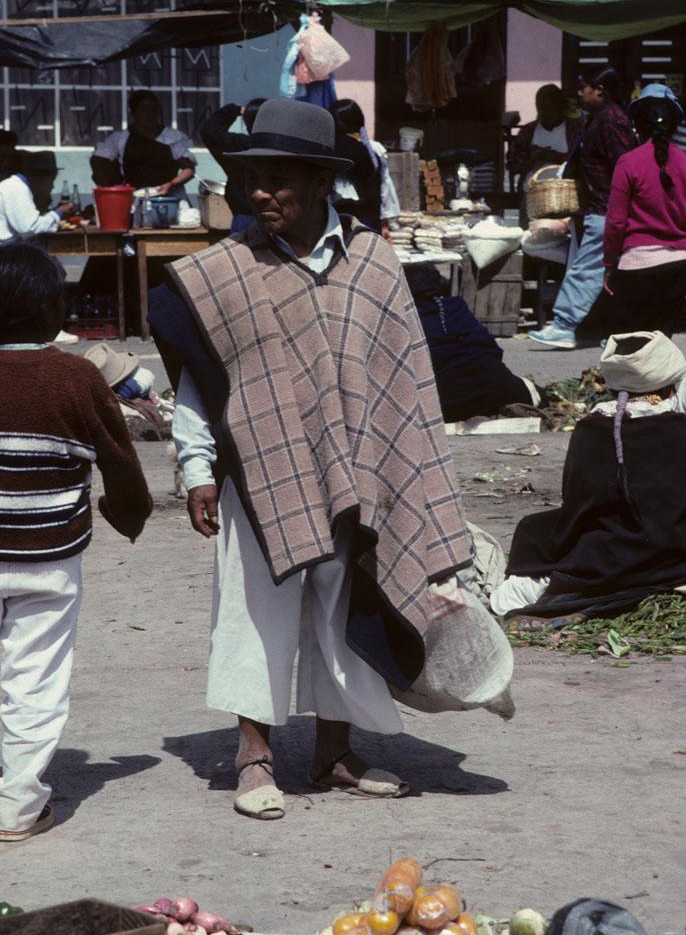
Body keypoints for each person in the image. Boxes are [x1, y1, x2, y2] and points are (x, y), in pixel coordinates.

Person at [150, 99, 472, 821]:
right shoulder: (228, 272)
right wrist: (197, 466)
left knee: (344, 604)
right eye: (251, 178)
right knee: (253, 608)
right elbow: (201, 381)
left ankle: (333, 752)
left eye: (278, 178)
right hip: (259, 473)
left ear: (323, 182)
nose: (260, 193)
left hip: (357, 473)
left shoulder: (374, 265)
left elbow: (404, 385)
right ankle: (255, 756)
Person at [0, 242, 152, 841]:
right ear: (52, 311)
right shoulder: (77, 377)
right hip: (49, 559)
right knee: (34, 680)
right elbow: (119, 461)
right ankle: (14, 808)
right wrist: (127, 512)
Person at [491, 331, 686, 622]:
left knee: (533, 529)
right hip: (669, 554)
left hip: (603, 555)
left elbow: (578, 502)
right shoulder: (679, 429)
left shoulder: (590, 429)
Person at [529, 68, 635, 349]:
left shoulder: (612, 121)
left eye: (583, 87)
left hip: (607, 210)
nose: (579, 93)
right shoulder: (599, 120)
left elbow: (624, 166)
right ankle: (612, 331)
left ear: (599, 89)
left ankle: (563, 325)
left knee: (586, 268)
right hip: (599, 208)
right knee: (603, 272)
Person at [406, 264, 544, 420]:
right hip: (493, 386)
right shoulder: (455, 306)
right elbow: (492, 349)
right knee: (535, 393)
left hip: (444, 400)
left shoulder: (405, 317)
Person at [603, 84, 686, 336]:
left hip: (636, 267)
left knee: (633, 344)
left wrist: (608, 264)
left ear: (637, 124)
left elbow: (616, 222)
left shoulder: (628, 162)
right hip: (679, 266)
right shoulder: (684, 161)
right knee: (661, 343)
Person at [0, 150, 79, 345]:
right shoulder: (15, 188)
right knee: (48, 273)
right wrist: (58, 213)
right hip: (7, 249)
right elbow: (29, 227)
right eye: (51, 182)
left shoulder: (19, 187)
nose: (51, 187)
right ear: (43, 179)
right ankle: (47, 324)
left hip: (10, 247)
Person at [90, 90, 196, 196]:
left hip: (170, 198)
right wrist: (111, 191)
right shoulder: (121, 138)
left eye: (153, 109)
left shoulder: (172, 137)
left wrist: (171, 184)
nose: (149, 114)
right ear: (133, 113)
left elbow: (189, 169)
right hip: (135, 199)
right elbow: (97, 160)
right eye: (144, 109)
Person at [329, 98, 400, 239]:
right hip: (367, 219)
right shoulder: (374, 149)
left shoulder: (332, 149)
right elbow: (384, 187)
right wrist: (384, 224)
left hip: (340, 219)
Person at [200, 98, 266, 234]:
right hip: (280, 217)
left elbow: (209, 131)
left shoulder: (239, 146)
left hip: (245, 215)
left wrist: (234, 110)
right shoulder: (285, 149)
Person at [507, 84, 582, 201]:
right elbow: (512, 163)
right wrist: (533, 158)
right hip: (532, 194)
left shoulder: (574, 130)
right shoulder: (528, 131)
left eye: (551, 108)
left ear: (560, 107)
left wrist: (558, 157)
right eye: (542, 108)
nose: (546, 113)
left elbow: (584, 163)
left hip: (566, 195)